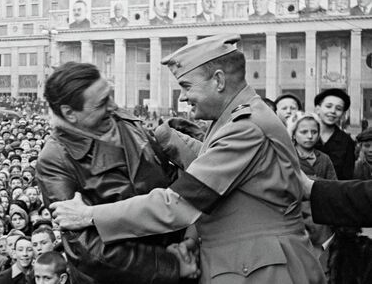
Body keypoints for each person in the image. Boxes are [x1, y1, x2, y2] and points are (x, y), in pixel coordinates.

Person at [51, 34, 325, 283]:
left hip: (264, 269)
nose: (182, 97)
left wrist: (90, 215)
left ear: (218, 80)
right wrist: (164, 138)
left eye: (186, 86)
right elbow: (211, 164)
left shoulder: (245, 127)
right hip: (250, 263)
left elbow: (180, 203)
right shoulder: (235, 119)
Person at [38, 61, 194, 283]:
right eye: (101, 103)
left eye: (109, 95)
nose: (113, 105)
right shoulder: (55, 160)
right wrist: (170, 265)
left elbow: (169, 181)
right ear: (69, 113)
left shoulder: (124, 121)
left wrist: (187, 241)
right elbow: (88, 249)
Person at [314, 88, 356, 180]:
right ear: (317, 109)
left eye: (338, 108)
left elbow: (347, 178)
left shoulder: (347, 142)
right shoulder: (304, 136)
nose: (333, 111)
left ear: (343, 114)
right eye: (328, 106)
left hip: (335, 191)